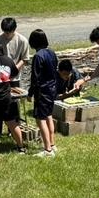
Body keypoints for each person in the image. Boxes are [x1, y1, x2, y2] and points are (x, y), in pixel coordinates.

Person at [0, 17, 30, 136]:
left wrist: (14, 69)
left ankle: (12, 130)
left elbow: (25, 59)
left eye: (9, 32)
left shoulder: (22, 40)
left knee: (13, 104)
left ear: (14, 29)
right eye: (5, 32)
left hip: (14, 77)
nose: (7, 34)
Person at [28, 29, 58, 157]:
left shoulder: (38, 56)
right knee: (48, 116)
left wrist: (30, 93)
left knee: (40, 120)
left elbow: (35, 78)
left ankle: (47, 150)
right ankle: (52, 144)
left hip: (42, 91)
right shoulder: (52, 53)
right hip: (52, 89)